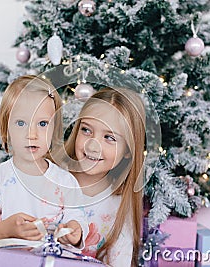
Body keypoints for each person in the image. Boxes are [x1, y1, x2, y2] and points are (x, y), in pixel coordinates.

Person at [0, 75, 88, 267]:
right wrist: (3, 229)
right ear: (6, 129)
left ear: (54, 130)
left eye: (42, 124)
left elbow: (77, 220)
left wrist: (75, 233)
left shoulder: (66, 182)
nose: (31, 134)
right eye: (21, 123)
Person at [54, 87, 146, 267]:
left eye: (109, 137)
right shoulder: (52, 176)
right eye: (86, 130)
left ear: (128, 150)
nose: (93, 146)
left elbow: (119, 261)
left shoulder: (119, 206)